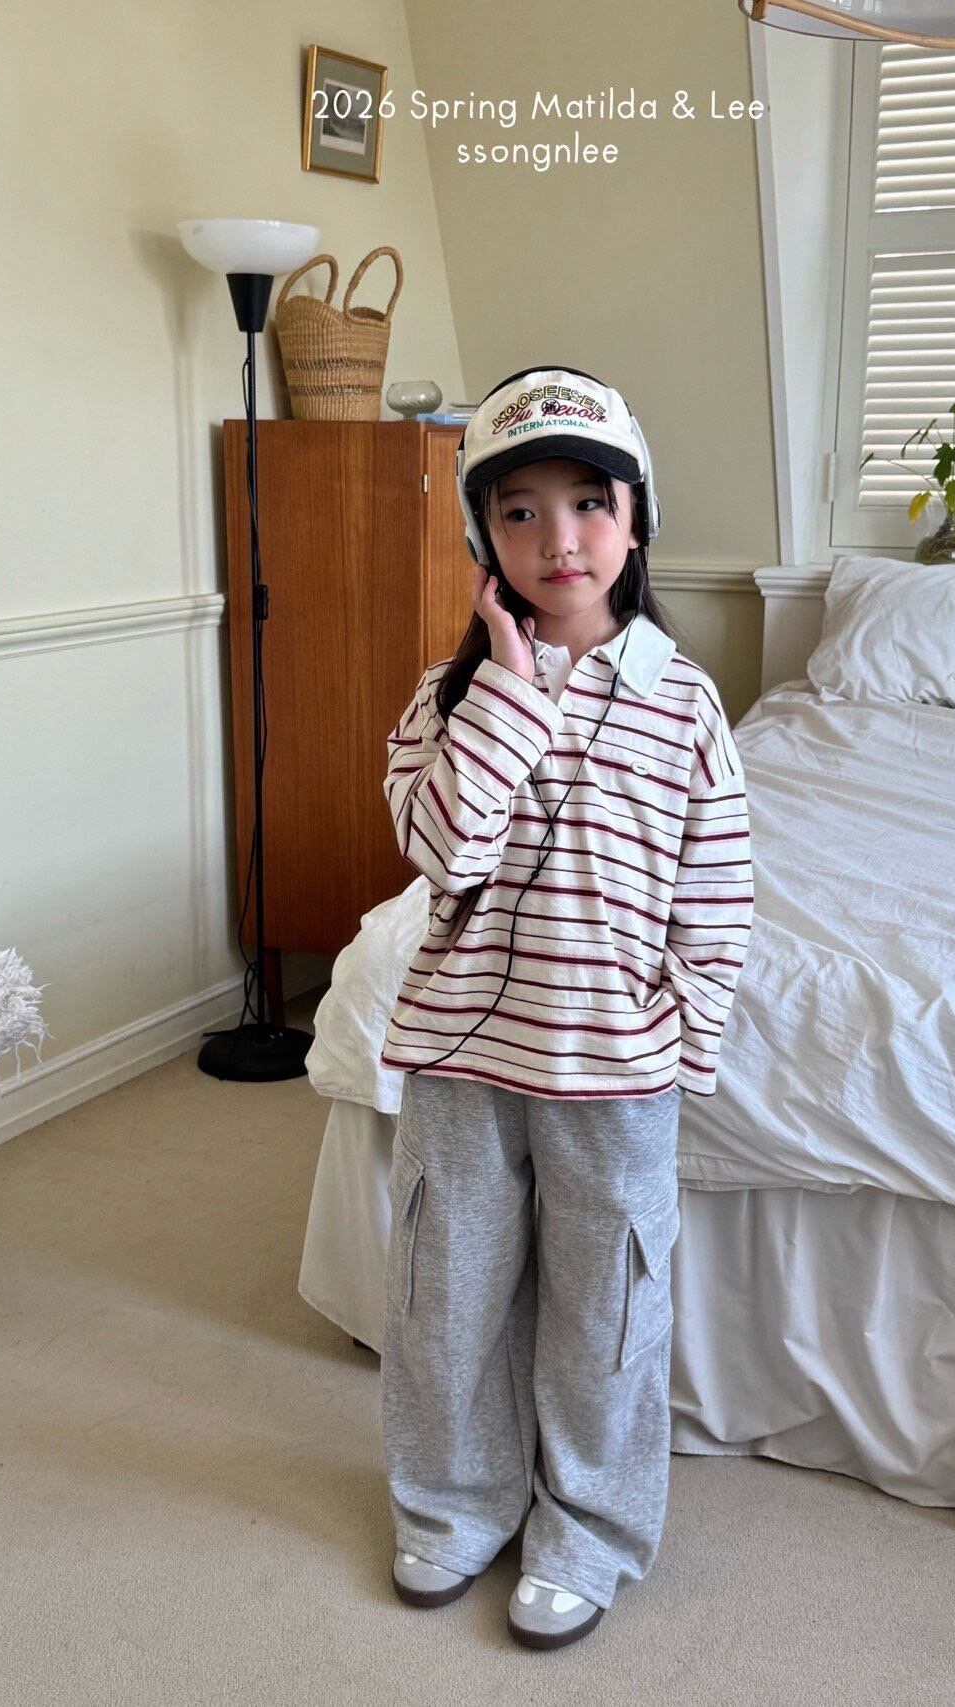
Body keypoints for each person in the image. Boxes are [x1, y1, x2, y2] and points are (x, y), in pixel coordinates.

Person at [377, 365, 754, 1650]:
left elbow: (716, 895)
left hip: (613, 1072)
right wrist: (505, 686)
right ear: (482, 539)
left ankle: (587, 1529)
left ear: (636, 520)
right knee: (444, 1301)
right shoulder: (444, 702)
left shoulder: (683, 701)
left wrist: (680, 1043)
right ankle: (451, 1504)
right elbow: (444, 853)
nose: (559, 539)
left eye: (589, 503)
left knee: (607, 1318)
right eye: (519, 512)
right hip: (462, 1062)